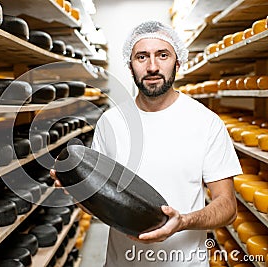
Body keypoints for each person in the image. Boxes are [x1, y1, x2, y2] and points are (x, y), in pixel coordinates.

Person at [51, 20, 242, 266]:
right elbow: (101, 203)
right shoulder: (110, 122)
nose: (152, 66)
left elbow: (228, 207)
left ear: (178, 62)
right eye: (142, 57)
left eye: (163, 55)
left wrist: (183, 221)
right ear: (130, 66)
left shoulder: (206, 122)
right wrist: (78, 192)